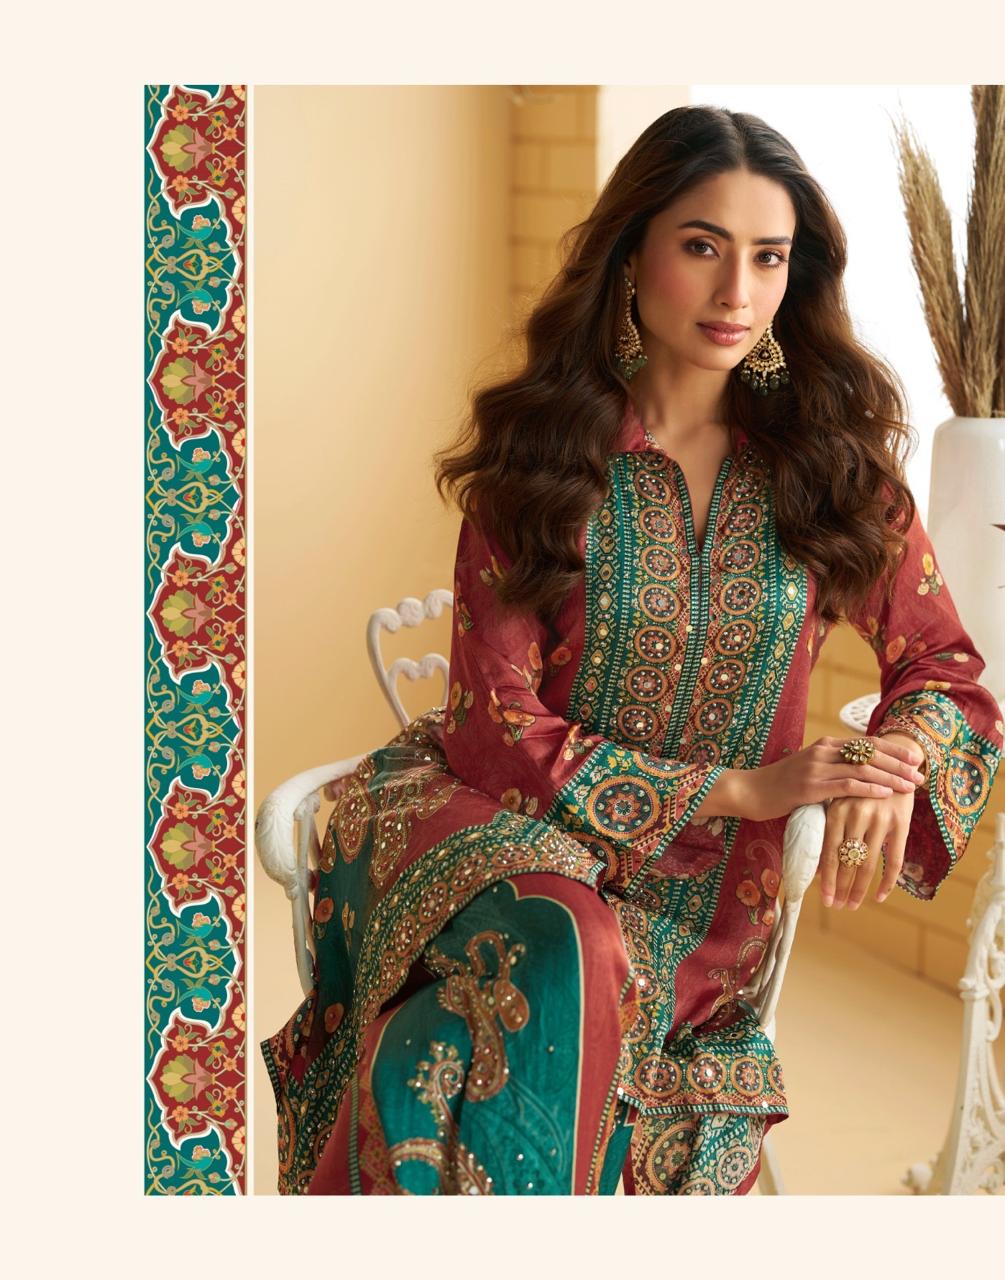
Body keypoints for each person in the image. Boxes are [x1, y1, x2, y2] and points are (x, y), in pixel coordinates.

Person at [260, 104, 1003, 1195]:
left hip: (698, 910)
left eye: (768, 257)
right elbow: (492, 722)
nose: (736, 293)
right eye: (702, 246)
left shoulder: (834, 474)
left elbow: (947, 671)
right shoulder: (544, 454)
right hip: (495, 839)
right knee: (562, 934)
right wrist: (743, 787)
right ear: (634, 253)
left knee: (449, 1043)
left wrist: (898, 761)